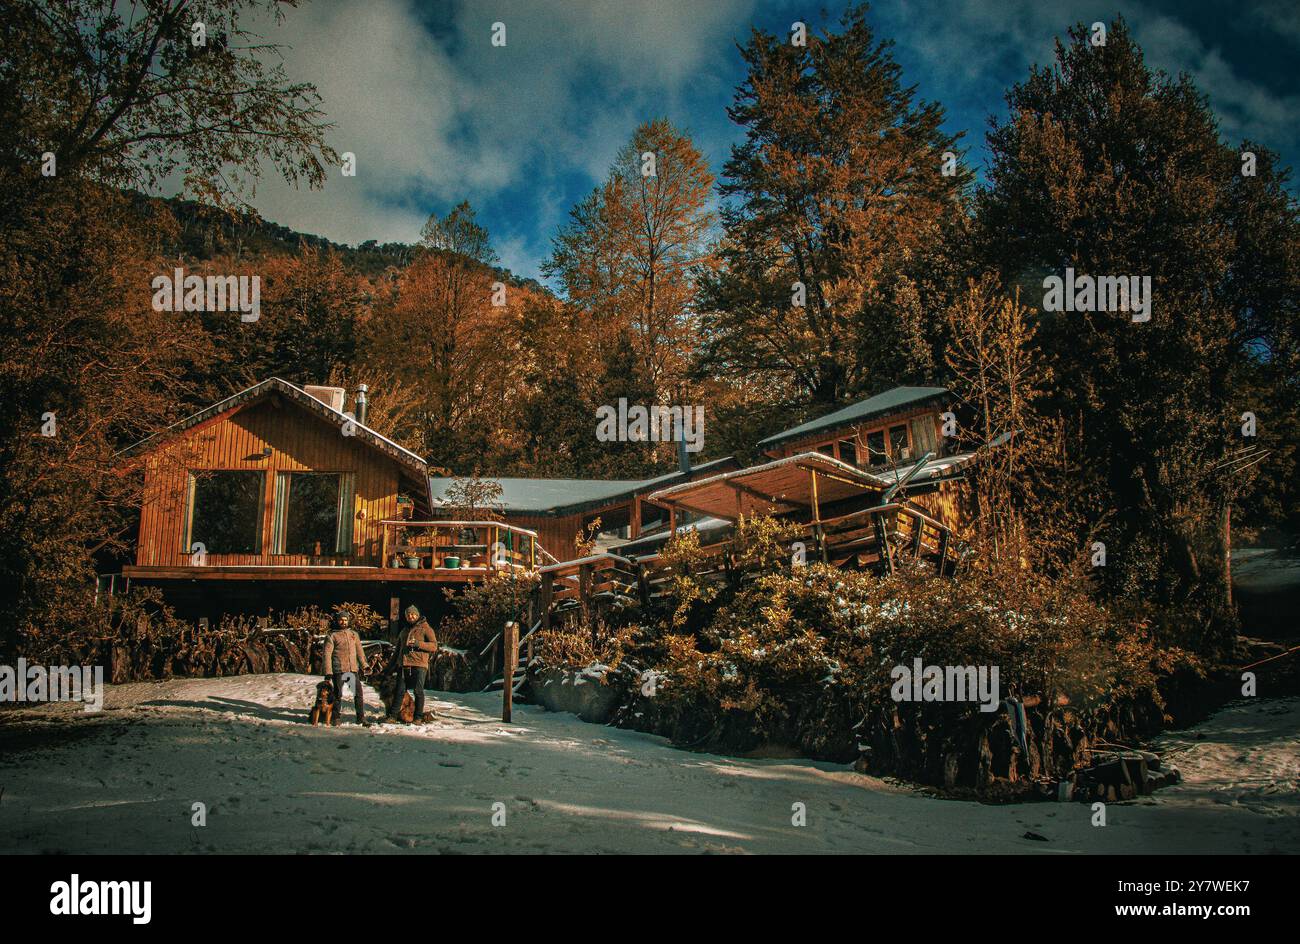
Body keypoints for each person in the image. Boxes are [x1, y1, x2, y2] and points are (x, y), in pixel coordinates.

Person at [388, 604, 438, 722]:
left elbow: (434, 646)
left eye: (413, 614)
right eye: (408, 615)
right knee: (399, 691)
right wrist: (390, 666)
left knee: (418, 691)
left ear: (417, 615)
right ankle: (393, 716)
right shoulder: (404, 630)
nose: (411, 616)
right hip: (404, 664)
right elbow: (397, 651)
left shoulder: (426, 628)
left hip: (419, 664)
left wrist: (418, 644)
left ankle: (418, 717)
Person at [322, 611, 369, 726]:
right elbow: (327, 654)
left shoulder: (353, 634)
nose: (343, 622)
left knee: (358, 693)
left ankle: (360, 717)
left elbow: (359, 651)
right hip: (339, 670)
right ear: (337, 621)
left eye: (345, 620)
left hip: (352, 670)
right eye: (341, 620)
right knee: (337, 694)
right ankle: (336, 717)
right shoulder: (332, 635)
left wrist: (364, 665)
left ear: (348, 621)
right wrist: (328, 671)